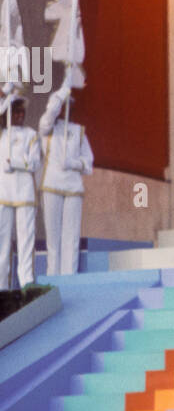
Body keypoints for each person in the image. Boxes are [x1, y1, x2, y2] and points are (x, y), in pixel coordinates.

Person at [38, 77, 93, 275]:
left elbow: (89, 164)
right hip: (52, 185)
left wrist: (74, 164)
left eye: (68, 105)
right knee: (53, 239)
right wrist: (63, 90)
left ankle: (70, 278)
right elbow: (50, 112)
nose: (64, 109)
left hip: (73, 187)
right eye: (62, 105)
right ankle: (54, 278)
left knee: (71, 237)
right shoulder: (47, 127)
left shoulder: (79, 132)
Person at [0, 91, 40, 286]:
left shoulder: (31, 135)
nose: (20, 116)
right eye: (15, 112)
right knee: (2, 243)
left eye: (21, 113)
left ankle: (26, 283)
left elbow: (34, 163)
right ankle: (1, 286)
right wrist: (6, 95)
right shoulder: (2, 134)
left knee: (25, 241)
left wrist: (14, 162)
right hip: (3, 193)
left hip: (24, 192)